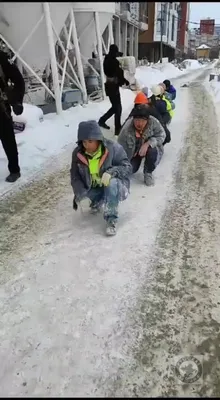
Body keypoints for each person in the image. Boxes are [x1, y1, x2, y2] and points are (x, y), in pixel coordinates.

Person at [70, 120, 132, 236]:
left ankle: (111, 219)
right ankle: (97, 200)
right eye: (83, 142)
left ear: (98, 139)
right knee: (83, 199)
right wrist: (81, 194)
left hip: (115, 185)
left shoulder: (113, 148)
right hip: (94, 187)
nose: (86, 145)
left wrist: (111, 172)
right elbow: (75, 177)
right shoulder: (77, 154)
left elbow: (127, 167)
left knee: (112, 183)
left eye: (90, 141)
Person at [118, 105, 166, 186]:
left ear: (148, 120)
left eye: (142, 121)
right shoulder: (126, 130)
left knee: (152, 151)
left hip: (149, 149)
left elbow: (162, 135)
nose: (139, 123)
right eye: (137, 120)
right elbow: (120, 149)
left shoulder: (153, 122)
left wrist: (149, 143)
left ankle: (148, 172)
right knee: (130, 170)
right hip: (134, 153)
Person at [0, 50, 25, 182]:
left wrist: (17, 101)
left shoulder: (2, 58)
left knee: (7, 139)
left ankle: (14, 170)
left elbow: (19, 80)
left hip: (1, 108)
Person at [98, 44, 129, 136]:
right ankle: (117, 129)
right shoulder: (113, 62)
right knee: (118, 108)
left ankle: (102, 120)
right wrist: (124, 81)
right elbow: (117, 73)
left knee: (115, 107)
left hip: (109, 85)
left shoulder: (107, 60)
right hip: (113, 86)